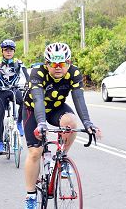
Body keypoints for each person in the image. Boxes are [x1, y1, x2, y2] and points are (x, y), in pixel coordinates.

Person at [22, 42, 102, 209]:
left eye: (62, 63)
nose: (58, 67)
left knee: (71, 123)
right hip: (34, 109)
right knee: (35, 152)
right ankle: (30, 195)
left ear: (69, 62)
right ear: (46, 63)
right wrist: (41, 123)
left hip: (56, 108)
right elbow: (37, 100)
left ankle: (62, 157)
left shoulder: (74, 73)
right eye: (53, 63)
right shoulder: (37, 73)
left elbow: (79, 99)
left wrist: (88, 123)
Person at [0, 39, 29, 154]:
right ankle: (0, 143)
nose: (8, 52)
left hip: (13, 89)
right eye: (6, 50)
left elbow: (27, 76)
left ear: (14, 51)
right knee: (0, 116)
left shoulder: (18, 62)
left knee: (25, 102)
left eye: (11, 50)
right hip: (0, 91)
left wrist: (30, 84)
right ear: (2, 51)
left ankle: (19, 123)